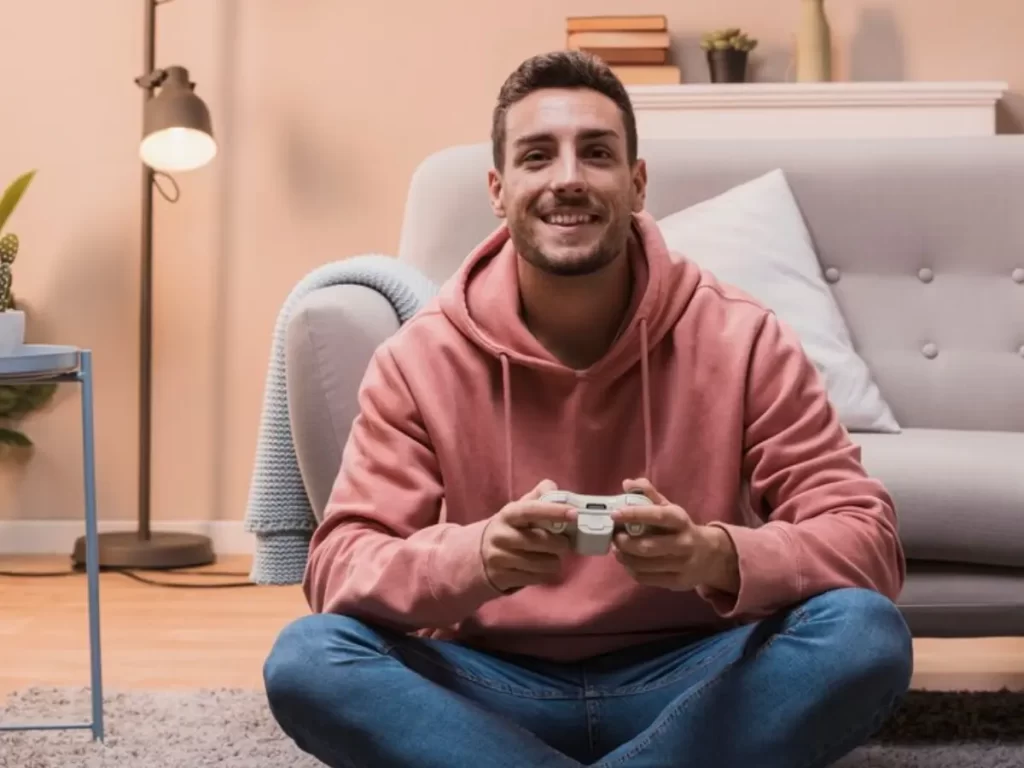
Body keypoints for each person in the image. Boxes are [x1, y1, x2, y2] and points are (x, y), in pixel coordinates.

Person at [263, 50, 913, 768]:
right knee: (309, 659)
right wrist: (476, 557)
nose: (567, 177)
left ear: (636, 185)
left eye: (596, 153)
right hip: (491, 684)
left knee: (864, 634)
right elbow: (340, 566)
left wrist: (715, 554)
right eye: (537, 156)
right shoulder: (419, 358)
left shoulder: (743, 336)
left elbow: (866, 540)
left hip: (696, 679)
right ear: (498, 188)